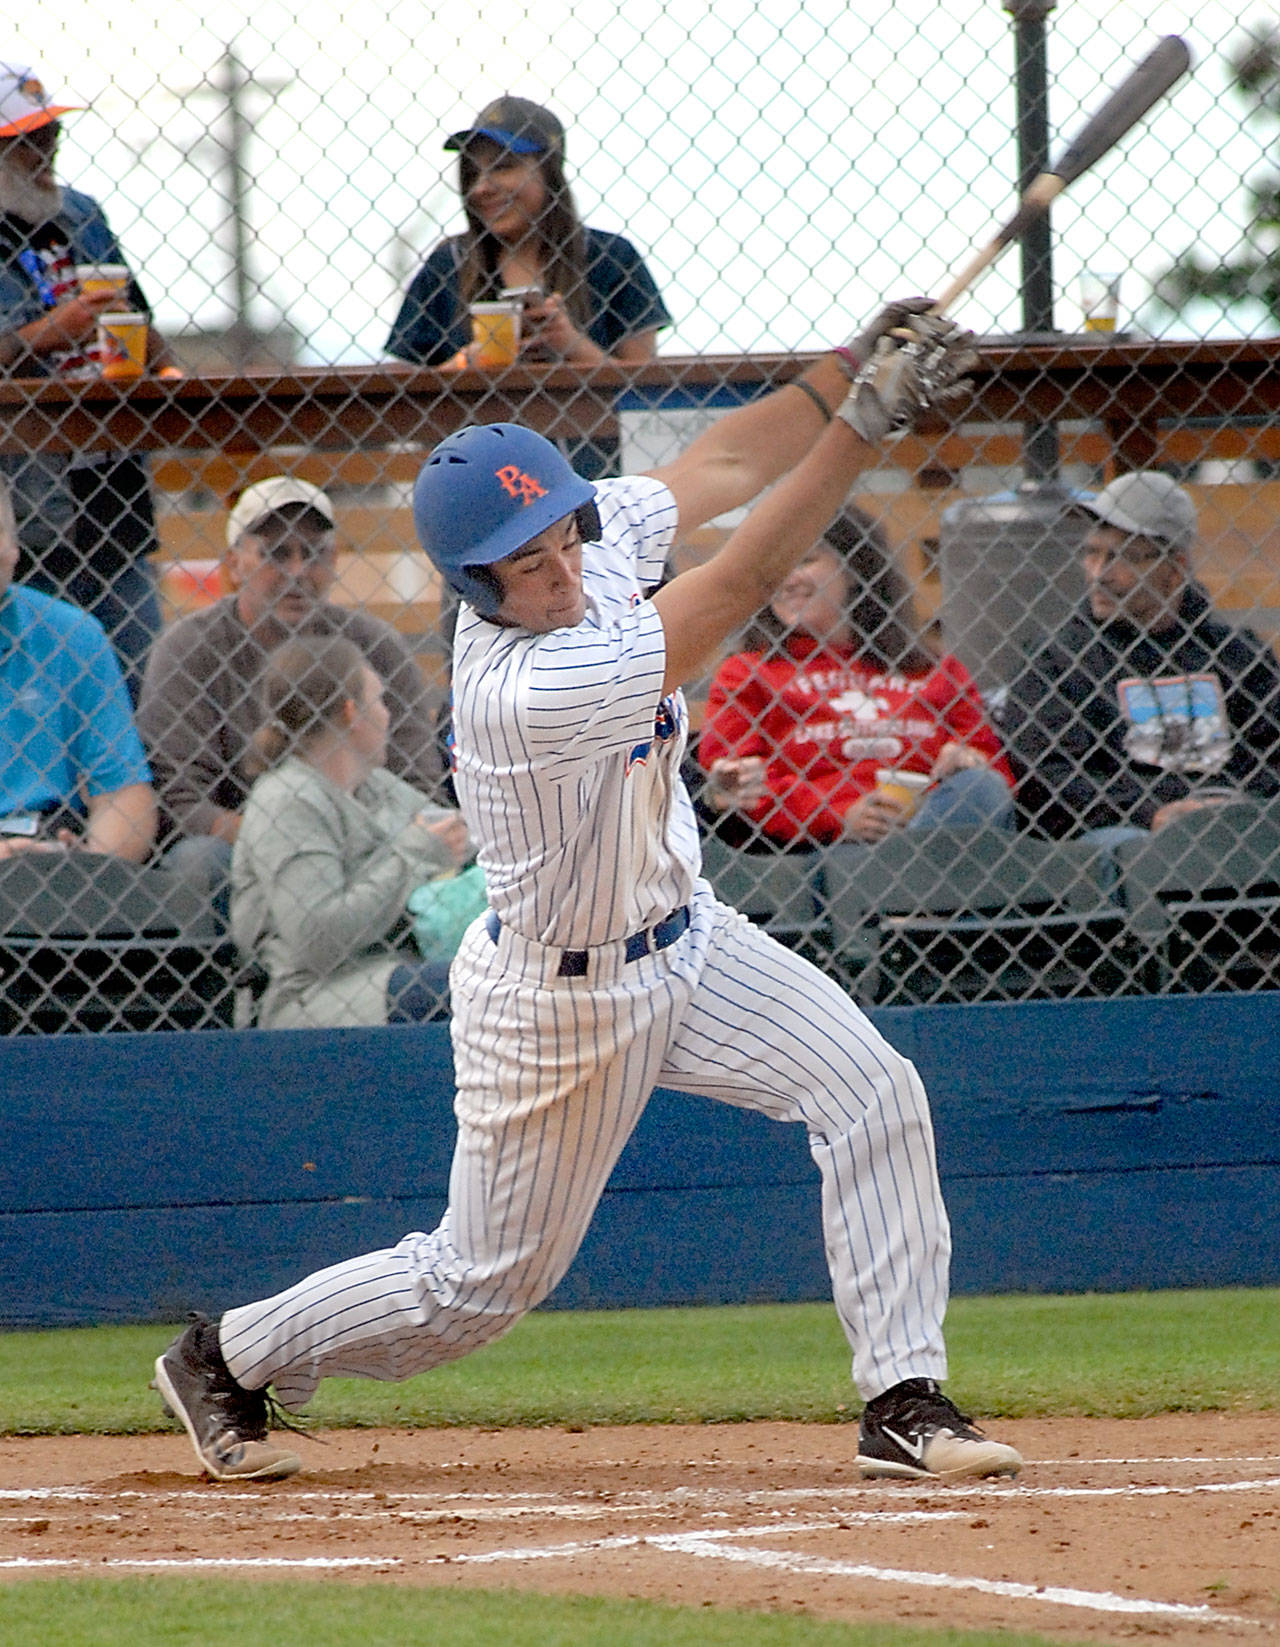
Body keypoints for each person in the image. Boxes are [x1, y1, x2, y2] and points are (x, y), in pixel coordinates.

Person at [153, 300, 1022, 1488]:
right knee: (475, 1290)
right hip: (558, 1002)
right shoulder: (523, 684)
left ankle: (902, 1401)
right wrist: (866, 426)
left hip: (688, 941)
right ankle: (226, 1354)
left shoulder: (581, 538)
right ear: (476, 586)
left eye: (565, 536)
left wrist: (844, 368)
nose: (562, 569)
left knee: (872, 1091)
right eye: (528, 563)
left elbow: (721, 460)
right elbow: (743, 575)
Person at [136, 476, 448, 914]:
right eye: (276, 554)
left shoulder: (375, 646)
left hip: (364, 843)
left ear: (336, 557)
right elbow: (179, 799)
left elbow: (418, 780)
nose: (298, 571)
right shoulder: (190, 649)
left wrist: (347, 843)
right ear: (235, 563)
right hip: (239, 847)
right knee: (197, 860)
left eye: (314, 552)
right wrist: (288, 841)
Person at [0, 61, 180, 701]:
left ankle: (139, 798)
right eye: (25, 139)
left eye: (48, 133)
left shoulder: (82, 215)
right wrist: (53, 330)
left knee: (139, 683)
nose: (45, 150)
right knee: (44, 697)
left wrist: (136, 339)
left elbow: (150, 335)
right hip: (26, 506)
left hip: (112, 492)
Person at [386, 95, 672, 480]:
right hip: (483, 485)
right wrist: (465, 366)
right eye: (472, 172)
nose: (481, 188)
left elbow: (647, 397)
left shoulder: (610, 258)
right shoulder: (449, 263)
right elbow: (398, 397)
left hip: (597, 480)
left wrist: (570, 344)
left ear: (549, 171)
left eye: (503, 168)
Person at [698, 502, 1014, 849]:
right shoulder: (748, 673)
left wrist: (968, 762)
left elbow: (998, 777)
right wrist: (838, 814)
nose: (787, 580)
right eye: (776, 568)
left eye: (805, 560)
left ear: (852, 568)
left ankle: (910, 867)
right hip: (830, 851)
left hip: (935, 830)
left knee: (979, 788)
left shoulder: (935, 668)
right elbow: (739, 786)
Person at [999, 471, 1280, 846]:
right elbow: (1048, 775)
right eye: (1092, 552)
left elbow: (1271, 756)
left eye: (1123, 557)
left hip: (1236, 826)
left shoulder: (1237, 654)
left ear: (1175, 567)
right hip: (1122, 833)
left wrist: (1229, 807)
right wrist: (1150, 814)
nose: (1099, 574)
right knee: (1120, 846)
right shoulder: (1057, 660)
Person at [230, 636, 470, 1029]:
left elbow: (454, 832)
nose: (389, 715)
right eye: (379, 701)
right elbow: (316, 939)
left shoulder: (377, 785)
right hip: (311, 994)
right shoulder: (287, 798)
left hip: (398, 967)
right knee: (475, 986)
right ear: (351, 712)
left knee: (511, 972)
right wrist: (414, 856)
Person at [0, 471, 155, 861]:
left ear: (16, 547)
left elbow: (124, 797)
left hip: (53, 852)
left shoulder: (75, 636)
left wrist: (86, 867)